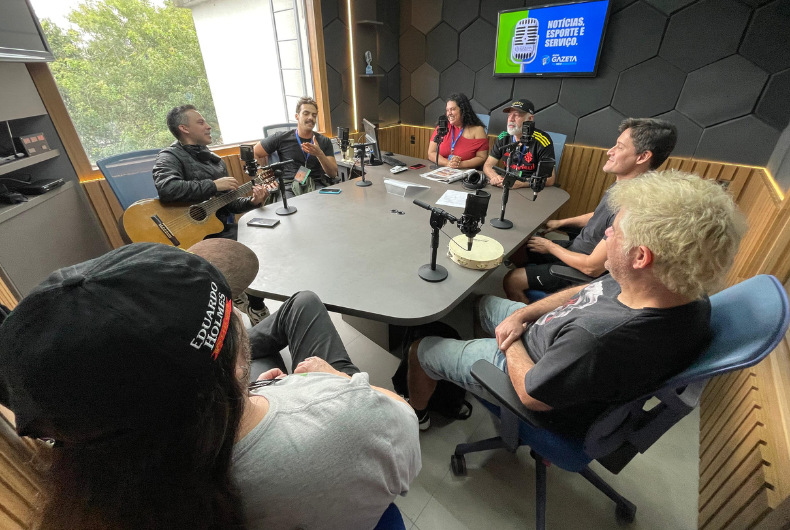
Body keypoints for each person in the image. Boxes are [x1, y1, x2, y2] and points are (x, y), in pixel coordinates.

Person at [0, 242, 421, 530]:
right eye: (233, 316)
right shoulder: (347, 414)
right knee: (307, 306)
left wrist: (258, 394)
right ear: (235, 365)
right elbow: (403, 424)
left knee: (302, 302)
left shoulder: (100, 492)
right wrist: (335, 379)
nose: (239, 319)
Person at [406, 170, 746, 433]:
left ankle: (419, 415)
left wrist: (509, 340)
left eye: (615, 231)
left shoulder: (596, 338)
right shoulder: (678, 289)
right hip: (544, 337)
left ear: (641, 256)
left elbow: (531, 394)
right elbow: (587, 292)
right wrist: (524, 314)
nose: (607, 234)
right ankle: (471, 366)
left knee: (421, 350)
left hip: (533, 370)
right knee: (480, 303)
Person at [503, 117, 678, 302]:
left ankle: (539, 315)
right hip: (574, 249)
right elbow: (600, 216)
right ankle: (536, 279)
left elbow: (592, 267)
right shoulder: (624, 185)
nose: (610, 152)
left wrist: (550, 247)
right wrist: (561, 222)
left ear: (642, 157)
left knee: (512, 280)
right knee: (519, 246)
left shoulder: (633, 206)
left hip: (582, 270)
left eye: (619, 147)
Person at [153, 104, 270, 324]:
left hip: (217, 229)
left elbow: (227, 205)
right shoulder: (170, 156)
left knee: (258, 239)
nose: (208, 126)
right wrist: (213, 185)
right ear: (184, 128)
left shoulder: (215, 161)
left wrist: (253, 201)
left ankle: (255, 305)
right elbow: (167, 188)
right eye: (201, 122)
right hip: (185, 235)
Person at [253, 96, 337, 199]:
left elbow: (333, 174)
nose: (311, 117)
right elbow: (254, 153)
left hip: (316, 184)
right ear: (297, 116)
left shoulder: (324, 141)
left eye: (314, 115)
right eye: (306, 113)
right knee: (291, 207)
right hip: (289, 186)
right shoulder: (281, 138)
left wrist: (319, 154)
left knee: (328, 204)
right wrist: (264, 179)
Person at [483, 98, 556, 189]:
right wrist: (495, 177)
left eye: (516, 115)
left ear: (530, 118)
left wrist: (521, 183)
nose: (511, 119)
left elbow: (550, 179)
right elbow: (488, 165)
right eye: (509, 115)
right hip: (507, 185)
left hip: (530, 188)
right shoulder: (503, 137)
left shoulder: (543, 140)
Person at [427, 93, 489, 169]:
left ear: (463, 110)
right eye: (447, 110)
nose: (449, 113)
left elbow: (482, 158)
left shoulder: (478, 130)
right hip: (441, 169)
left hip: (465, 172)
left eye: (453, 109)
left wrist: (460, 164)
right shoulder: (442, 126)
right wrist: (447, 163)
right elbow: (431, 153)